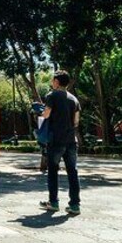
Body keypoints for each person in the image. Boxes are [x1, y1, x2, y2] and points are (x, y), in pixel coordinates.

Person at [38, 70, 81, 216]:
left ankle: (54, 202)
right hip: (71, 140)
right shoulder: (74, 99)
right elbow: (76, 121)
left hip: (56, 139)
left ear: (56, 82)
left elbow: (46, 114)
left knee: (53, 171)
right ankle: (75, 205)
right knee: (72, 172)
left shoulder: (52, 95)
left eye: (52, 80)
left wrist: (40, 112)